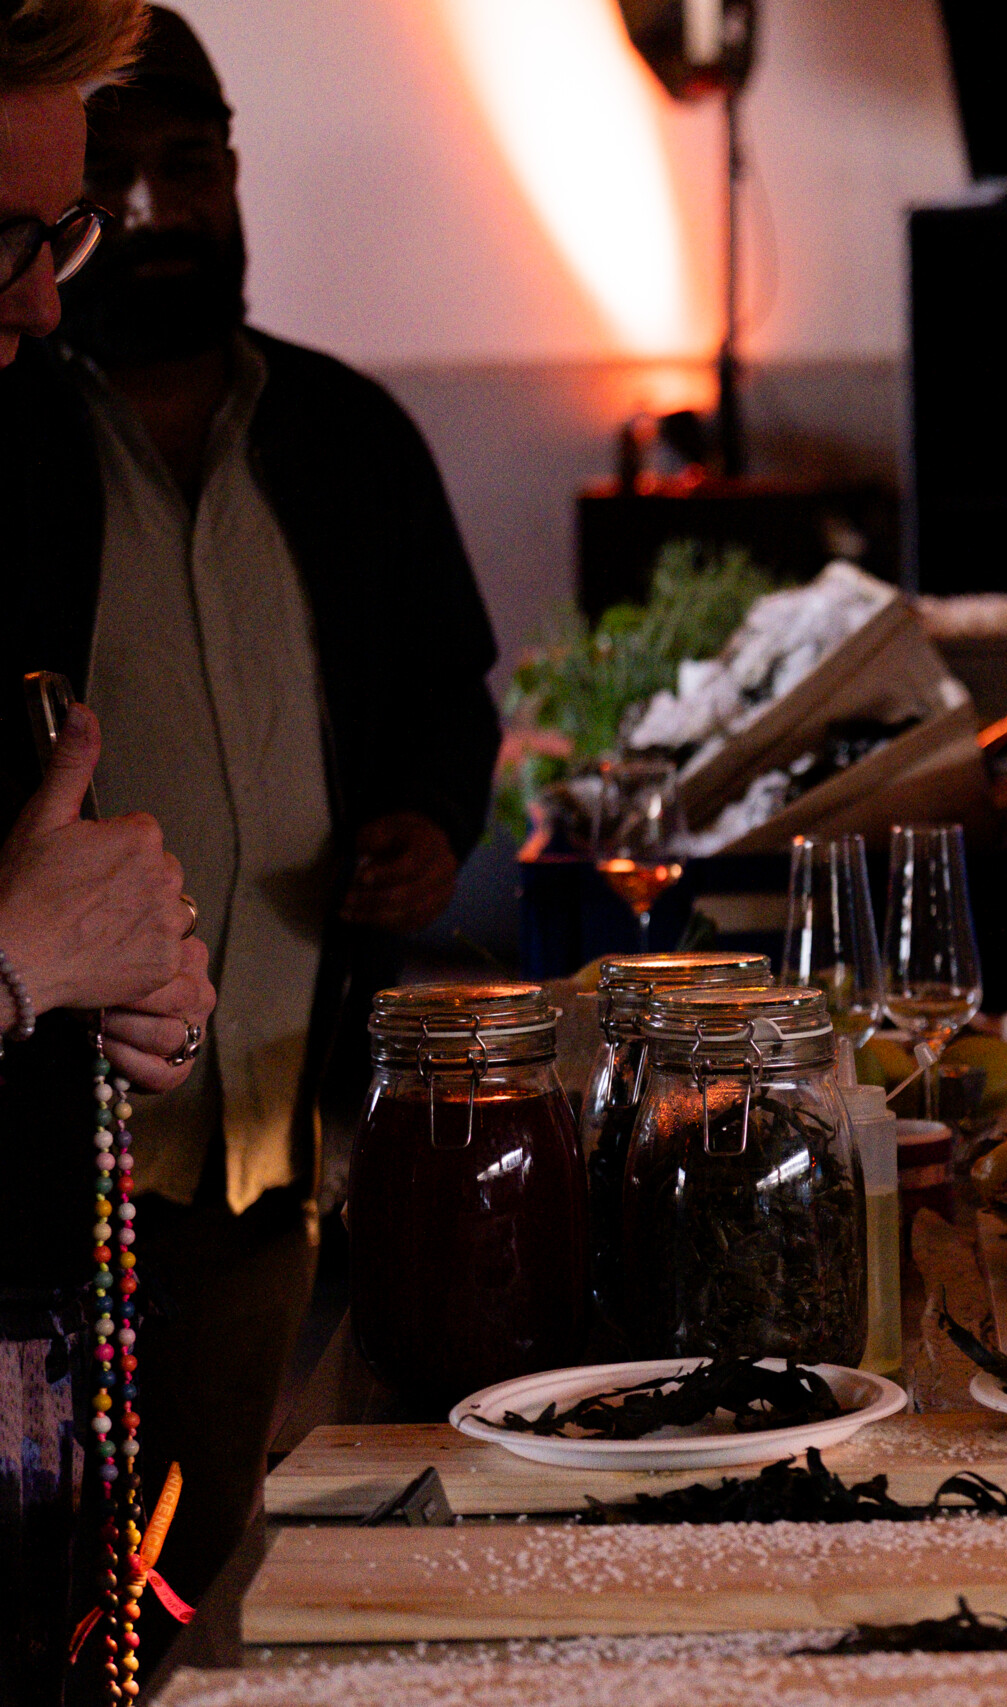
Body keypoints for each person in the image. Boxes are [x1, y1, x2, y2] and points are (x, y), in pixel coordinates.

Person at [0, 3, 502, 1615]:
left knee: (196, 1569)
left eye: (182, 168)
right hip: (47, 1148)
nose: (148, 217)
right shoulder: (12, 439)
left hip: (270, 1127)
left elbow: (449, 692)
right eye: (103, 192)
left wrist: (432, 814)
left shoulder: (350, 437)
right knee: (71, 1583)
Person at [0, 3, 217, 1697]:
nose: (43, 296)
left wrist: (120, 973)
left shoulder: (22, 454)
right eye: (3, 239)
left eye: (54, 232)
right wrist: (17, 967)